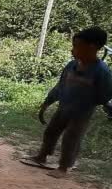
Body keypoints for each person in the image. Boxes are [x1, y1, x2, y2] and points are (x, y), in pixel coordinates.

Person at [28, 27, 112, 178]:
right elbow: (60, 86)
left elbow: (105, 95)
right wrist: (47, 102)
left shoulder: (102, 71)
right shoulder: (71, 66)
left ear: (91, 47)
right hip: (63, 108)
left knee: (71, 139)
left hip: (81, 114)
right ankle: (42, 156)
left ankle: (63, 168)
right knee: (50, 132)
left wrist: (88, 101)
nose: (72, 50)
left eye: (76, 46)